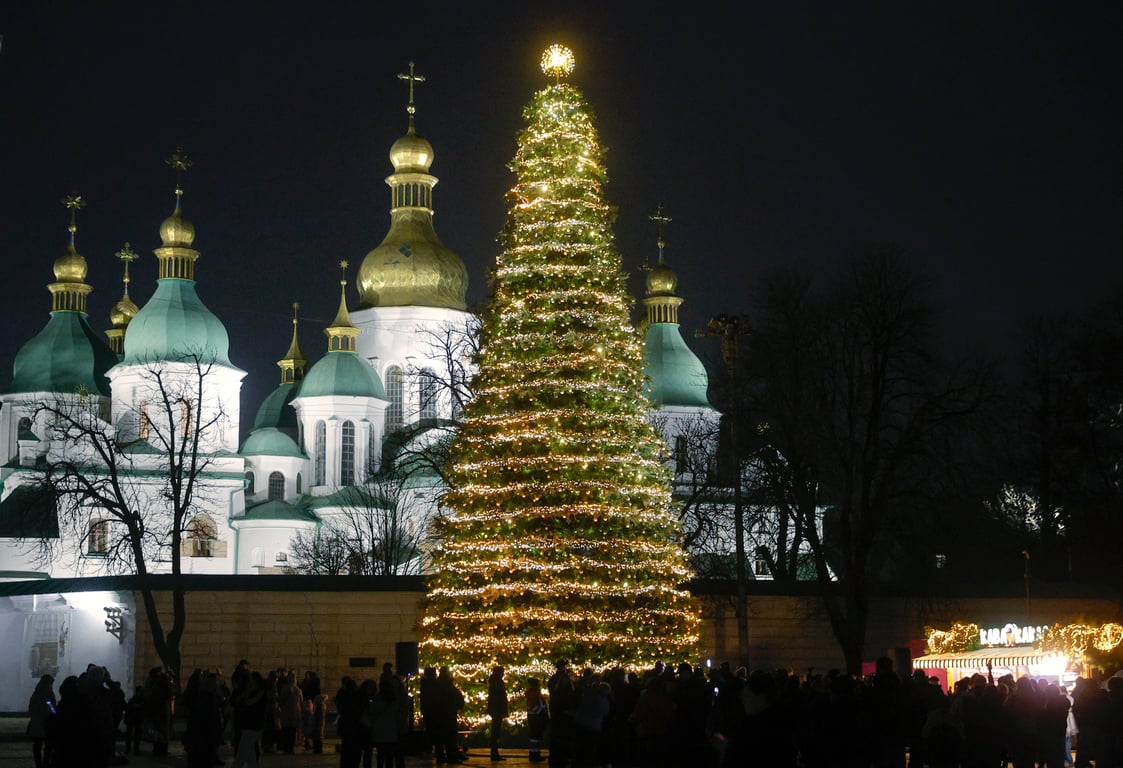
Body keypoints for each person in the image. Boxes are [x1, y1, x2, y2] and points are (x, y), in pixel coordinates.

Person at [28, 673, 55, 768]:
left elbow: (30, 708)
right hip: (46, 723)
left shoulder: (36, 692)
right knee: (48, 747)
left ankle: (38, 764)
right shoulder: (49, 692)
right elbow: (50, 705)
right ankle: (46, 764)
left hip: (36, 722)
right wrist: (54, 712)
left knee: (37, 746)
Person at [525, 677, 549, 763]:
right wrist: (541, 710)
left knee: (535, 737)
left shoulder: (532, 693)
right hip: (536, 717)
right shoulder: (534, 694)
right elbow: (537, 706)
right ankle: (534, 754)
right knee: (536, 737)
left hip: (533, 717)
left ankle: (535, 753)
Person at [488, 665, 509, 761]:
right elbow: (498, 697)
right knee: (495, 732)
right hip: (497, 710)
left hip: (496, 710)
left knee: (495, 732)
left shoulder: (494, 681)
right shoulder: (497, 682)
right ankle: (494, 754)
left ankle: (494, 753)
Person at [123, 684, 145, 756]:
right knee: (135, 735)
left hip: (134, 719)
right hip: (135, 719)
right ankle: (134, 749)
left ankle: (130, 749)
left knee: (133, 735)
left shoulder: (133, 700)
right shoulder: (139, 699)